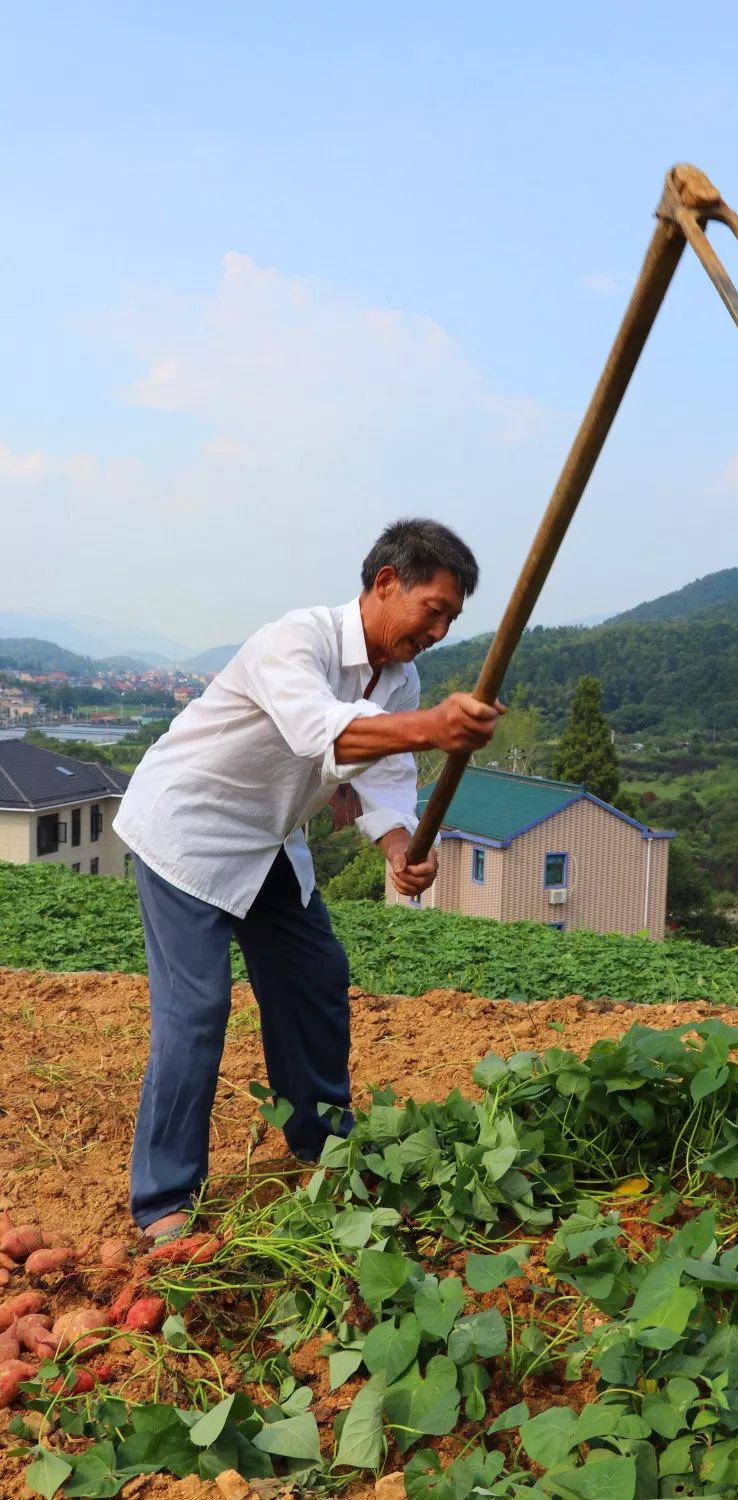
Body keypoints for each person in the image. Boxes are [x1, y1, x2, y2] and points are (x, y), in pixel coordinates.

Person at [113, 517, 500, 1243]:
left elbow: (382, 774)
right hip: (188, 831)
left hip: (266, 837)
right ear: (387, 583)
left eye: (452, 617)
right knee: (196, 1012)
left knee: (315, 980)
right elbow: (324, 733)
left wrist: (395, 843)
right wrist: (432, 726)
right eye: (434, 609)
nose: (441, 630)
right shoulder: (295, 641)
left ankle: (323, 1143)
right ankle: (163, 1200)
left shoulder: (402, 675)